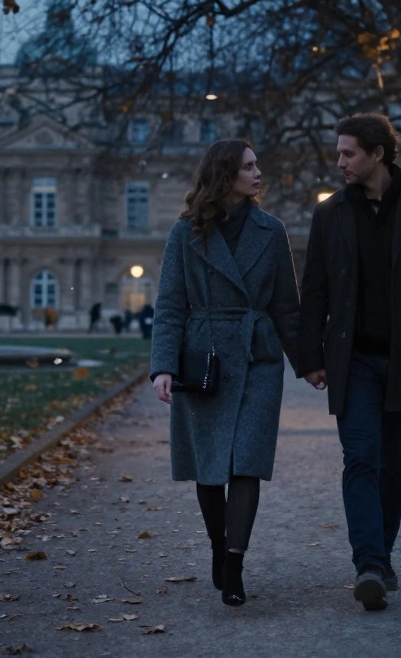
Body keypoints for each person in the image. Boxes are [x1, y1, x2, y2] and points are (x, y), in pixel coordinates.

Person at [296, 113, 401, 612]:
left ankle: (381, 558)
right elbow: (315, 292)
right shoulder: (330, 215)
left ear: (378, 154)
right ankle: (368, 564)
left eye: (349, 153)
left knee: (397, 467)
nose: (340, 161)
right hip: (355, 361)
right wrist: (312, 357)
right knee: (361, 458)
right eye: (339, 152)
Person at [149, 138, 300, 607]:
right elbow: (171, 306)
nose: (259, 174)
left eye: (258, 165)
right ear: (225, 175)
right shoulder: (186, 233)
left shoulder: (271, 231)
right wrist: (163, 368)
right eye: (249, 167)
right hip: (204, 356)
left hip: (257, 356)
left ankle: (234, 564)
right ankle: (219, 544)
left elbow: (286, 308)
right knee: (210, 469)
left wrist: (311, 363)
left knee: (247, 461)